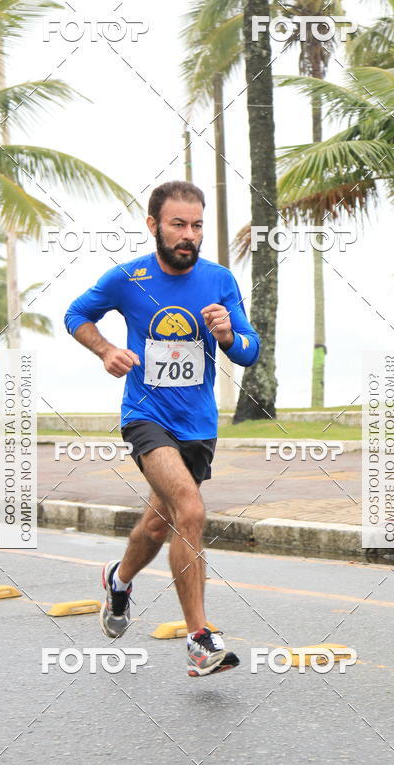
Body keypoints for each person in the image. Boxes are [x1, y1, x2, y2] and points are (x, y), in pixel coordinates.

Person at [64, 181, 260, 676]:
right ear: (153, 225)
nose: (188, 235)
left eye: (196, 226)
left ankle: (118, 580)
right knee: (190, 510)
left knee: (159, 524)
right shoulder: (128, 278)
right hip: (146, 418)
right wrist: (106, 350)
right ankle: (200, 638)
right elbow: (76, 314)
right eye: (178, 224)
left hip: (198, 425)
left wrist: (227, 334)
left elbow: (250, 350)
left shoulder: (219, 281)